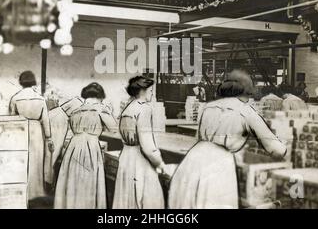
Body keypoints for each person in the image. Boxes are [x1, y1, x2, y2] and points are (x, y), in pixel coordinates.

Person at [168, 70, 287, 209]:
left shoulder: (208, 107)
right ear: (243, 92)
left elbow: (198, 137)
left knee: (187, 206)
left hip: (193, 158)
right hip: (218, 163)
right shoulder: (246, 110)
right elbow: (276, 150)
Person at [54, 83, 117, 209]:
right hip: (91, 146)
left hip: (74, 146)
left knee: (73, 179)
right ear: (100, 96)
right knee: (88, 182)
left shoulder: (76, 110)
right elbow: (114, 128)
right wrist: (109, 111)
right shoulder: (100, 108)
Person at [112, 76, 171, 209]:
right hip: (140, 159)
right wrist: (160, 163)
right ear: (143, 91)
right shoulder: (144, 108)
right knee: (147, 199)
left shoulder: (127, 107)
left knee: (127, 199)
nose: (152, 93)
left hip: (126, 157)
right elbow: (147, 146)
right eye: (151, 90)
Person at [9, 71, 54, 203]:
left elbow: (12, 119)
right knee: (36, 162)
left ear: (21, 82)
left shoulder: (15, 98)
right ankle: (35, 192)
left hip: (20, 130)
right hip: (36, 132)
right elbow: (46, 120)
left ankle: (21, 192)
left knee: (21, 161)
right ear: (33, 81)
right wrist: (49, 138)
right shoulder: (40, 99)